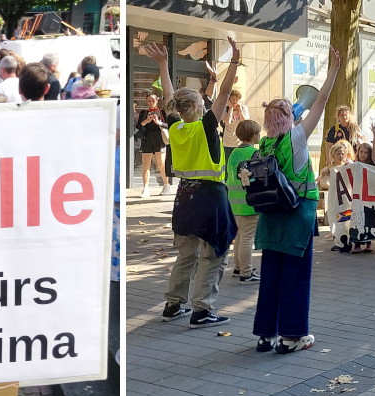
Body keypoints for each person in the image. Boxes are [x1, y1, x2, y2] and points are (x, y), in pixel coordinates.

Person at [247, 44, 340, 354]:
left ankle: (266, 336)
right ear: (289, 116)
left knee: (271, 276)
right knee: (296, 277)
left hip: (270, 217)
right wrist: (334, 71)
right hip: (297, 212)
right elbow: (322, 100)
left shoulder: (264, 144)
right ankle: (292, 336)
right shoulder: (297, 137)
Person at [145, 39, 238, 328]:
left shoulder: (176, 125)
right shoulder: (206, 126)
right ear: (198, 107)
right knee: (213, 256)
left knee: (186, 254)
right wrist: (234, 61)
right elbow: (224, 91)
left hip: (183, 196)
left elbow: (170, 97)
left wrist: (162, 64)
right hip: (210, 197)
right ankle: (202, 310)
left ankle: (173, 304)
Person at [223, 120, 261, 283]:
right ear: (253, 135)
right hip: (249, 202)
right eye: (258, 133)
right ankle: (246, 272)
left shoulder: (233, 153)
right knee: (247, 238)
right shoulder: (254, 153)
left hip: (233, 201)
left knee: (239, 236)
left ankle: (238, 267)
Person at [134, 92, 171, 197]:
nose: (150, 103)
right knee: (146, 164)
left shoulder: (162, 112)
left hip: (159, 139)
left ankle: (166, 184)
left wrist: (158, 122)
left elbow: (168, 125)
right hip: (147, 139)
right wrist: (146, 121)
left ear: (157, 101)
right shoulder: (144, 113)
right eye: (149, 101)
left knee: (161, 163)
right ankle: (145, 188)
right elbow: (138, 126)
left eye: (153, 101)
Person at [220, 89, 250, 158]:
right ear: (229, 99)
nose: (235, 101)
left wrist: (240, 111)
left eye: (237, 99)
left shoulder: (243, 108)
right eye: (233, 99)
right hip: (228, 142)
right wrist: (230, 108)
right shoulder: (225, 109)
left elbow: (245, 122)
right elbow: (227, 122)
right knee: (229, 163)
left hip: (240, 141)